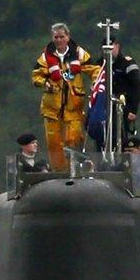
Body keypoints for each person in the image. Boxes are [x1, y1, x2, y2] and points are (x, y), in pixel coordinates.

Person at [31, 23, 96, 171]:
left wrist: (95, 84)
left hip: (74, 104)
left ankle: (75, 168)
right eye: (56, 37)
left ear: (68, 37)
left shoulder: (79, 54)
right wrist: (45, 83)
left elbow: (94, 70)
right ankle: (59, 171)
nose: (59, 40)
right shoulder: (45, 57)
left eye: (62, 37)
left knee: (73, 138)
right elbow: (36, 77)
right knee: (54, 142)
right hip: (52, 106)